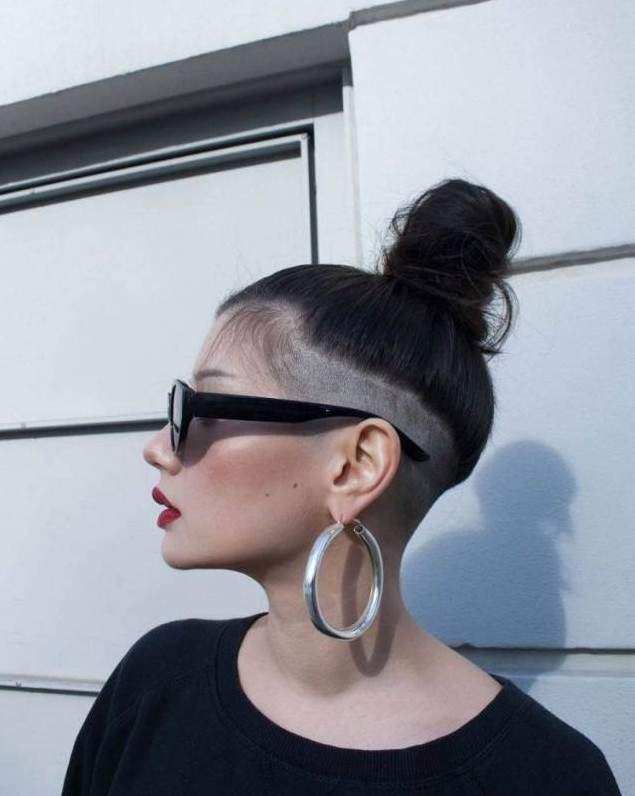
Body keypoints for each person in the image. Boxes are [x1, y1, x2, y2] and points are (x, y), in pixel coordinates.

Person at [61, 178, 622, 794]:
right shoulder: (155, 683)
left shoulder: (551, 777)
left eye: (203, 407)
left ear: (356, 465)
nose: (158, 447)